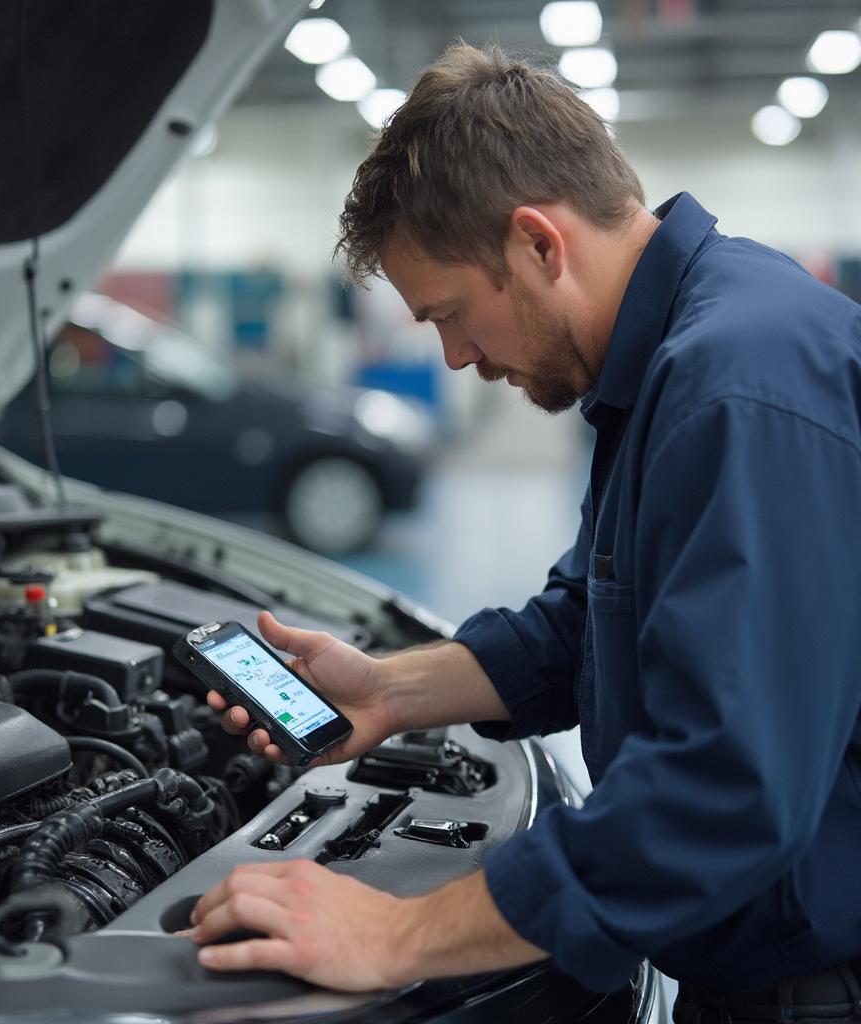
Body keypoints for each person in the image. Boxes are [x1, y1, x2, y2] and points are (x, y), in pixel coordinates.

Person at [186, 42, 861, 1019]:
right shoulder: (671, 362)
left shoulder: (737, 383)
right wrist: (386, 689)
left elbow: (726, 786)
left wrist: (397, 932)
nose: (456, 355)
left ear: (538, 243)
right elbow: (591, 622)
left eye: (452, 313)